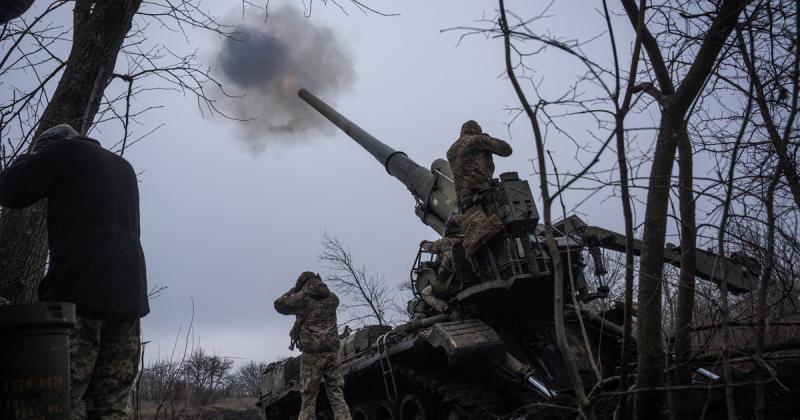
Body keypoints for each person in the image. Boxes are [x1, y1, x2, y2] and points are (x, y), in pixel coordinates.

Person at [0, 124, 148, 419]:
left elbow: (9, 190)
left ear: (50, 148)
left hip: (79, 299)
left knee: (56, 401)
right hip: (128, 300)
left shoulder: (63, 152)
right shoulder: (123, 166)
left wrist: (27, 160)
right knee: (110, 408)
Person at [275, 272, 351, 420]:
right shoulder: (333, 298)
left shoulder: (302, 298)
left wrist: (294, 290)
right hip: (332, 352)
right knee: (337, 396)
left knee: (308, 399)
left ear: (302, 283)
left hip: (312, 355)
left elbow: (278, 304)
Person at [446, 120, 512, 257]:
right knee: (500, 234)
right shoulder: (477, 140)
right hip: (485, 197)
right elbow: (506, 150)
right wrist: (485, 138)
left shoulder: (451, 151)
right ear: (476, 130)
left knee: (484, 243)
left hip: (466, 205)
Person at [419, 216, 464, 313]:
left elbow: (430, 247)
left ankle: (446, 308)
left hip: (448, 277)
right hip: (467, 272)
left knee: (425, 293)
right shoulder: (465, 239)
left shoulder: (445, 242)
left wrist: (423, 243)